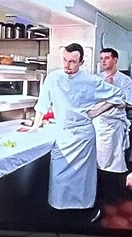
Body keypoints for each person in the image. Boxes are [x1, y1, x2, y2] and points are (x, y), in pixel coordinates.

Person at [31, 44, 124, 220]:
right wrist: (35, 126)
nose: (67, 65)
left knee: (83, 182)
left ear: (81, 62)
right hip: (62, 134)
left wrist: (97, 112)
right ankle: (58, 215)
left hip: (83, 137)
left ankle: (85, 214)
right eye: (65, 60)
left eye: (72, 62)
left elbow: (118, 95)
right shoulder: (54, 77)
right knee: (58, 179)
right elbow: (43, 104)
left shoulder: (90, 80)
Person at [94, 47, 132, 205]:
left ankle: (115, 199)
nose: (103, 61)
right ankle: (99, 198)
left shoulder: (125, 80)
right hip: (98, 124)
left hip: (114, 125)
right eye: (102, 58)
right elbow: (91, 100)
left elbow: (126, 102)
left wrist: (111, 91)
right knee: (97, 162)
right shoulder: (97, 78)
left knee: (114, 162)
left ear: (115, 60)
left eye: (107, 58)